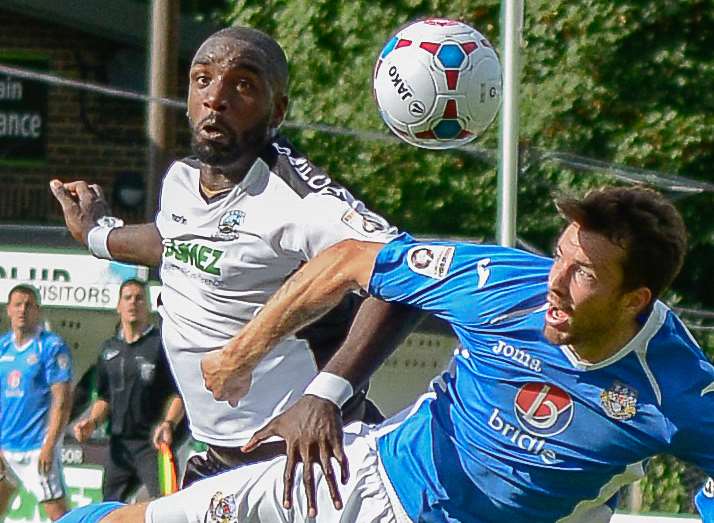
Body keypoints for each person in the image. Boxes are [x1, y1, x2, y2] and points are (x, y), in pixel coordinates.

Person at [55, 186, 714, 523]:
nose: (555, 280)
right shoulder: (503, 284)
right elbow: (353, 263)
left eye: (583, 274)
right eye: (560, 254)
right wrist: (251, 360)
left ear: (637, 299)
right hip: (370, 481)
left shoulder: (679, 390)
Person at [50, 25, 420, 487]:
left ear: (277, 109)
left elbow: (407, 274)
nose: (216, 97)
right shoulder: (182, 180)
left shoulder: (298, 198)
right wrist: (99, 236)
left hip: (299, 463)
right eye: (202, 79)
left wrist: (327, 395)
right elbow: (178, 244)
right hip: (217, 458)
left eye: (242, 84)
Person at [73, 279, 185, 501]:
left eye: (139, 298)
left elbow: (179, 394)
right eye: (128, 298)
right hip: (119, 445)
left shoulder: (160, 344)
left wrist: (168, 424)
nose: (133, 303)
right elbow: (104, 397)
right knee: (110, 509)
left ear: (148, 306)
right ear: (118, 306)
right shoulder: (109, 349)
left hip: (153, 443)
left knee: (165, 506)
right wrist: (92, 422)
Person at [0, 285, 72, 521]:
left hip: (36, 450)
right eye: (18, 304)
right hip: (5, 449)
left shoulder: (50, 346)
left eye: (29, 305)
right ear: (8, 310)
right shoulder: (3, 348)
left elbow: (62, 399)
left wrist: (49, 445)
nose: (23, 310)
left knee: (59, 516)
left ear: (37, 310)